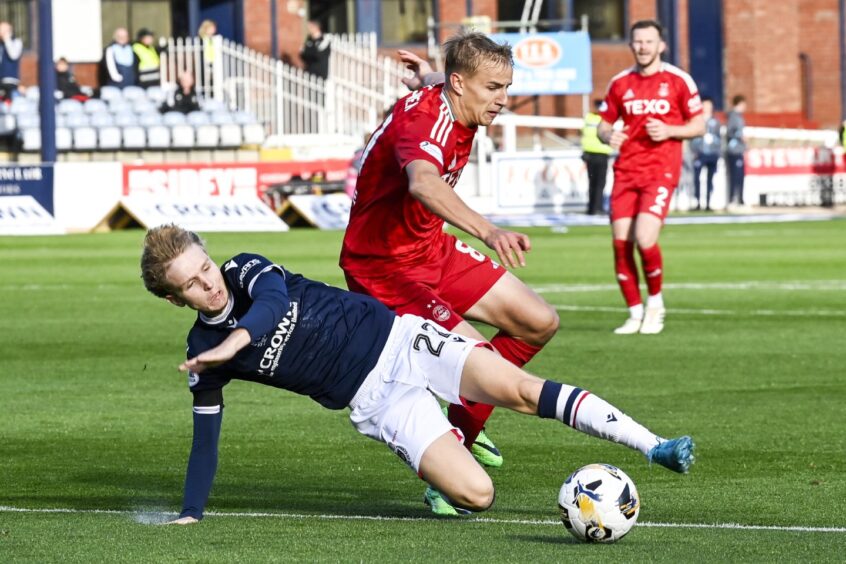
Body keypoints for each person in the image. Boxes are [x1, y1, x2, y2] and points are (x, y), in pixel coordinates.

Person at [140, 224, 696, 524]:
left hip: (404, 341)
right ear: (175, 299)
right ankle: (447, 438)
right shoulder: (202, 351)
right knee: (478, 496)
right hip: (376, 404)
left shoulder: (244, 269)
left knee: (521, 392)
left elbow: (266, 308)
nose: (208, 284)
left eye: (204, 268)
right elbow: (205, 442)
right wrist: (191, 513)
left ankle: (652, 446)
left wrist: (234, 342)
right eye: (190, 284)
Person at [339, 32, 560, 514]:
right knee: (479, 359)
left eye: (506, 86)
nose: (502, 99)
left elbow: (449, 85)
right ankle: (448, 464)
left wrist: (432, 77)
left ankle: (463, 425)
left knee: (539, 320)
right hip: (384, 265)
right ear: (461, 84)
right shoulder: (427, 121)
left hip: (429, 246)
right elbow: (422, 182)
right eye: (494, 88)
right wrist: (488, 231)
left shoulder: (452, 95)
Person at [597, 20, 705, 335]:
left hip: (660, 170)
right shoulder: (619, 83)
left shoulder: (678, 80)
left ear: (661, 46)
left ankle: (655, 303)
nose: (643, 47)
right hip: (626, 171)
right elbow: (602, 124)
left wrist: (670, 130)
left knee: (645, 238)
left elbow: (698, 125)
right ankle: (634, 313)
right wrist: (608, 136)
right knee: (620, 244)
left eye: (649, 41)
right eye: (637, 42)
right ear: (631, 46)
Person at [581, 99, 613, 215]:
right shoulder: (604, 120)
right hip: (601, 154)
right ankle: (597, 208)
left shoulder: (588, 118)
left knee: (592, 182)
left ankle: (591, 208)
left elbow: (583, 134)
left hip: (589, 154)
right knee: (599, 183)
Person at [689, 97, 721, 211]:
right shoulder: (697, 121)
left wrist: (717, 150)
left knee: (710, 179)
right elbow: (691, 138)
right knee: (697, 178)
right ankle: (697, 202)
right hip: (700, 153)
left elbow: (720, 139)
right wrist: (695, 149)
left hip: (712, 154)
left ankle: (708, 203)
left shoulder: (716, 122)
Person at [725, 94, 747, 209]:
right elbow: (730, 132)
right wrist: (740, 137)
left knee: (740, 176)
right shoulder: (733, 116)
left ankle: (740, 199)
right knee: (735, 176)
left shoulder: (739, 116)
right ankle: (733, 199)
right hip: (734, 151)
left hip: (739, 150)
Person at [0, 21, 23, 102]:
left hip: (10, 80)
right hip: (0, 80)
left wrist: (7, 40)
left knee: (8, 103)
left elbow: (13, 55)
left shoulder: (16, 42)